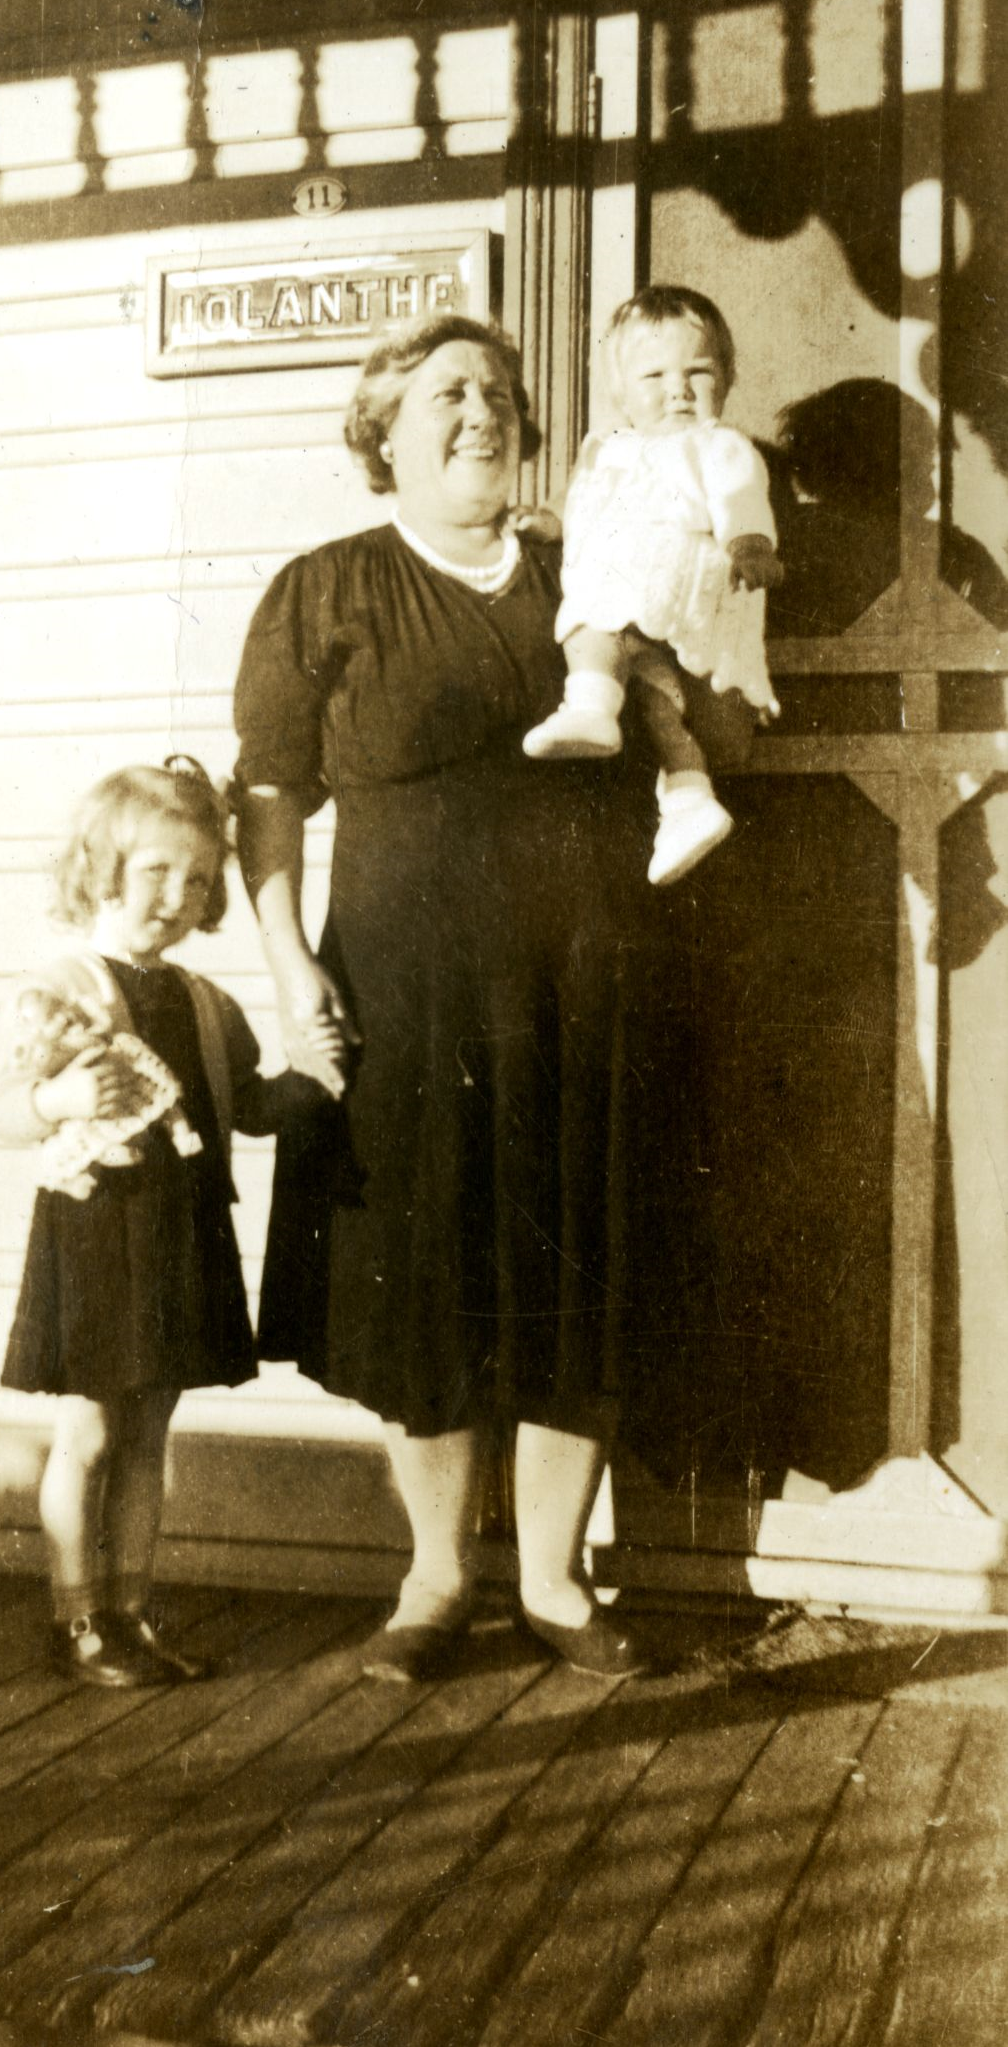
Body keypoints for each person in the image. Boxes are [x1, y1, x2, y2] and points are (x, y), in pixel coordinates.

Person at [234, 313, 659, 1682]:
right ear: (383, 435)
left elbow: (683, 711)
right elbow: (272, 803)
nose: (481, 408)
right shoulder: (326, 588)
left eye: (499, 390)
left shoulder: (583, 573)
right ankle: (435, 1583)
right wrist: (292, 967)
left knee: (569, 1260)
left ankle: (552, 1583)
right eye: (444, 393)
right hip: (405, 988)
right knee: (421, 1275)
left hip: (579, 973)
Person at [0, 757, 308, 1689]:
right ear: (102, 868)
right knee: (91, 1430)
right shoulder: (63, 986)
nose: (177, 895)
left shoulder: (207, 1003)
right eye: (157, 870)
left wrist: (318, 1082)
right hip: (97, 1234)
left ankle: (130, 1614)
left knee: (150, 1434)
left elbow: (246, 1103)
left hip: (180, 1232)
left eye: (200, 879)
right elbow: (2, 1110)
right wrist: (57, 1095)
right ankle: (77, 1619)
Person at [523, 285, 783, 885]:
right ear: (620, 392)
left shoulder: (719, 446)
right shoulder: (606, 447)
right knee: (656, 708)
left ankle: (588, 706)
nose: (678, 389)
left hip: (676, 595)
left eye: (699, 371)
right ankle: (690, 802)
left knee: (596, 626)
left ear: (727, 378)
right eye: (654, 375)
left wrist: (750, 546)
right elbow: (575, 503)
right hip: (636, 608)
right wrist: (547, 521)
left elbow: (741, 499)